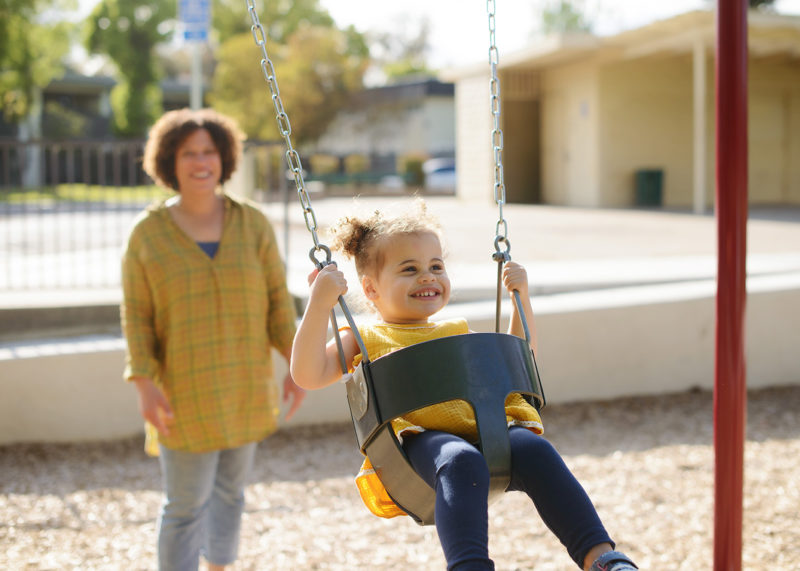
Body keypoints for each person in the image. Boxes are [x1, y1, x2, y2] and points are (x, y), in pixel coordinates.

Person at [291, 199, 637, 571]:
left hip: (487, 428)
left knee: (535, 450)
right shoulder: (364, 336)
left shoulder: (456, 330)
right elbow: (307, 373)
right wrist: (319, 304)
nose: (428, 277)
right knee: (460, 460)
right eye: (410, 269)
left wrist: (522, 300)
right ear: (371, 289)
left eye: (436, 266)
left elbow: (517, 360)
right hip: (418, 441)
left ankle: (601, 558)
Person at [121, 107, 306, 571]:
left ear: (224, 158)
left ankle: (220, 566)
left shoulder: (254, 224)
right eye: (188, 153)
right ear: (169, 161)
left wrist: (296, 365)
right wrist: (143, 382)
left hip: (245, 387)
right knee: (184, 506)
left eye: (209, 151)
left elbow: (277, 304)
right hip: (183, 393)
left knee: (231, 495)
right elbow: (137, 316)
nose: (200, 161)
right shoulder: (146, 235)